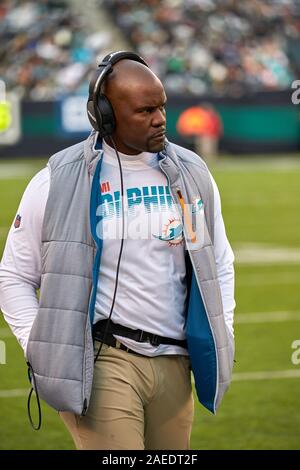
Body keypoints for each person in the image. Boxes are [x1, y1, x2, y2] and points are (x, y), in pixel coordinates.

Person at [0, 51, 235, 450]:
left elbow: (218, 262)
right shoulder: (57, 179)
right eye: (145, 111)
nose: (160, 119)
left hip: (175, 362)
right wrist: (40, 345)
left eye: (161, 106)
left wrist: (222, 328)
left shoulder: (192, 172)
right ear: (105, 115)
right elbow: (14, 276)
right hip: (104, 360)